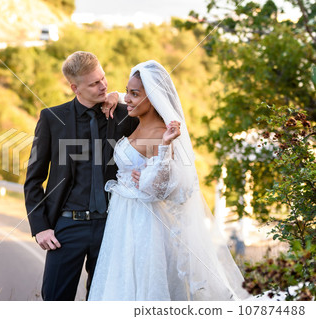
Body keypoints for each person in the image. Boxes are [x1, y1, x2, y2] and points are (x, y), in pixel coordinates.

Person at [88, 60, 249, 301]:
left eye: (134, 94)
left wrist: (163, 148)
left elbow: (161, 189)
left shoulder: (162, 134)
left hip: (144, 223)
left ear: (153, 97)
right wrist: (115, 95)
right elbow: (130, 98)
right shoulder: (137, 123)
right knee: (119, 284)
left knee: (142, 286)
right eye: (128, 92)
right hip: (122, 220)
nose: (128, 99)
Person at [24, 51, 138, 300]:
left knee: (103, 301)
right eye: (94, 83)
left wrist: (117, 95)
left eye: (103, 78)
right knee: (55, 299)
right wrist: (41, 227)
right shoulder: (52, 119)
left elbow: (157, 112)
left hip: (112, 225)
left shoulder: (123, 115)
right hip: (67, 226)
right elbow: (34, 178)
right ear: (75, 88)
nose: (103, 85)